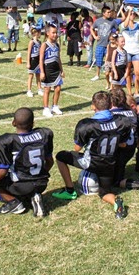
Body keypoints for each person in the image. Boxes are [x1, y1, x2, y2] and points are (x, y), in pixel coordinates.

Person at [52, 91, 133, 219]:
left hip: (91, 162)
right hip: (109, 164)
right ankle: (115, 201)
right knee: (104, 193)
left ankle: (70, 190)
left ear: (93, 106)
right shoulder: (122, 121)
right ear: (110, 105)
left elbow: (77, 149)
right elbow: (123, 144)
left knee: (60, 156)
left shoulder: (86, 124)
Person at [0, 107, 54, 216]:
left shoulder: (5, 141)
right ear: (33, 123)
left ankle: (13, 202)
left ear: (13, 123)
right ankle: (33, 195)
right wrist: (39, 175)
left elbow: (2, 172)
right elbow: (50, 162)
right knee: (21, 179)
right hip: (41, 184)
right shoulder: (45, 134)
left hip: (20, 186)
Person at [40, 23, 64, 118]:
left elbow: (58, 58)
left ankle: (55, 106)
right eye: (53, 33)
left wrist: (61, 70)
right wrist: (42, 72)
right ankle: (46, 108)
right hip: (47, 69)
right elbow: (41, 59)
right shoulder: (44, 45)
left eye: (56, 32)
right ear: (47, 33)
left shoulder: (57, 45)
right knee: (47, 89)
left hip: (56, 69)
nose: (55, 34)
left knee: (58, 88)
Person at [121, 6, 139, 96]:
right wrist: (129, 12)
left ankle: (137, 91)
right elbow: (125, 25)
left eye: (134, 14)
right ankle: (130, 92)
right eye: (131, 14)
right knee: (128, 72)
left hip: (136, 51)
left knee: (138, 72)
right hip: (127, 51)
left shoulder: (138, 24)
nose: (132, 15)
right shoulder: (123, 24)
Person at [91, 7, 115, 81]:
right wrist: (95, 36)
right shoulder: (98, 21)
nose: (109, 13)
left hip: (109, 45)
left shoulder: (112, 21)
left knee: (109, 61)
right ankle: (97, 75)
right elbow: (91, 28)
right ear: (103, 13)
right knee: (98, 60)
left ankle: (110, 75)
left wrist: (114, 36)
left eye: (110, 12)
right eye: (108, 12)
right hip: (100, 44)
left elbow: (117, 29)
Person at [26, 26, 44, 98]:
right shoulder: (32, 42)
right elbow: (29, 52)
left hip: (38, 60)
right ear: (36, 33)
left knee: (38, 75)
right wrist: (28, 62)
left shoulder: (39, 42)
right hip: (32, 59)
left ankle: (39, 89)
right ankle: (29, 90)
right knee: (31, 76)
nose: (40, 34)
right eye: (40, 33)